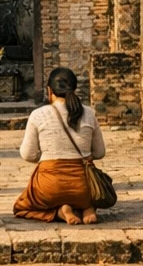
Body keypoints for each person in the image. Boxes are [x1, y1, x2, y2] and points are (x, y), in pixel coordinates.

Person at [14, 67, 107, 224]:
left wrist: (47, 157)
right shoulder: (89, 113)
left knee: (21, 207)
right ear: (75, 89)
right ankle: (86, 207)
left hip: (49, 188)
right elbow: (99, 152)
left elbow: (27, 154)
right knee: (84, 193)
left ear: (49, 91)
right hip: (83, 187)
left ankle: (59, 212)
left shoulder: (38, 114)